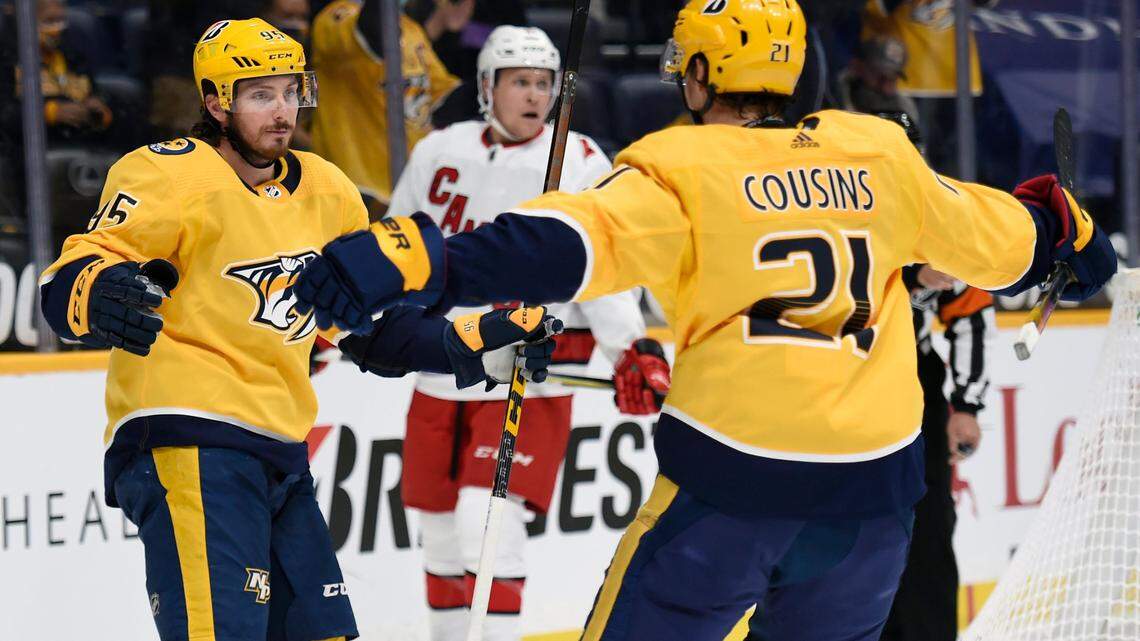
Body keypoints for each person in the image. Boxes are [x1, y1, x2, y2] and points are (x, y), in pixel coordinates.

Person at [293, 1, 1118, 639]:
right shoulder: (880, 154)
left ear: (697, 74)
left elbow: (560, 245)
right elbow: (1010, 241)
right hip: (872, 504)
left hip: (731, 494)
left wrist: (417, 257)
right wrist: (1064, 230)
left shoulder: (683, 167)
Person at [36, 18, 557, 641]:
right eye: (261, 95)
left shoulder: (327, 188)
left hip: (280, 451)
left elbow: (371, 328)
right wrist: (97, 288)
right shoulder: (168, 175)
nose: (283, 111)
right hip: (188, 437)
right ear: (216, 103)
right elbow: (75, 269)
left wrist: (470, 341)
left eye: (291, 92)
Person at [386, 25, 669, 641]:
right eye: (520, 82)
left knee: (485, 520)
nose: (535, 95)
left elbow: (606, 265)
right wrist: (361, 321)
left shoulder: (579, 160)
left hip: (527, 366)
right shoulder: (439, 149)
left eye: (544, 83)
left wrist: (631, 346)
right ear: (487, 86)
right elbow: (397, 244)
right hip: (443, 360)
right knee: (437, 526)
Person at [310, 0, 463, 215]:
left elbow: (443, 97)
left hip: (407, 189)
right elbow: (375, 35)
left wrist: (496, 78)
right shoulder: (335, 17)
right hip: (356, 191)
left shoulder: (411, 28)